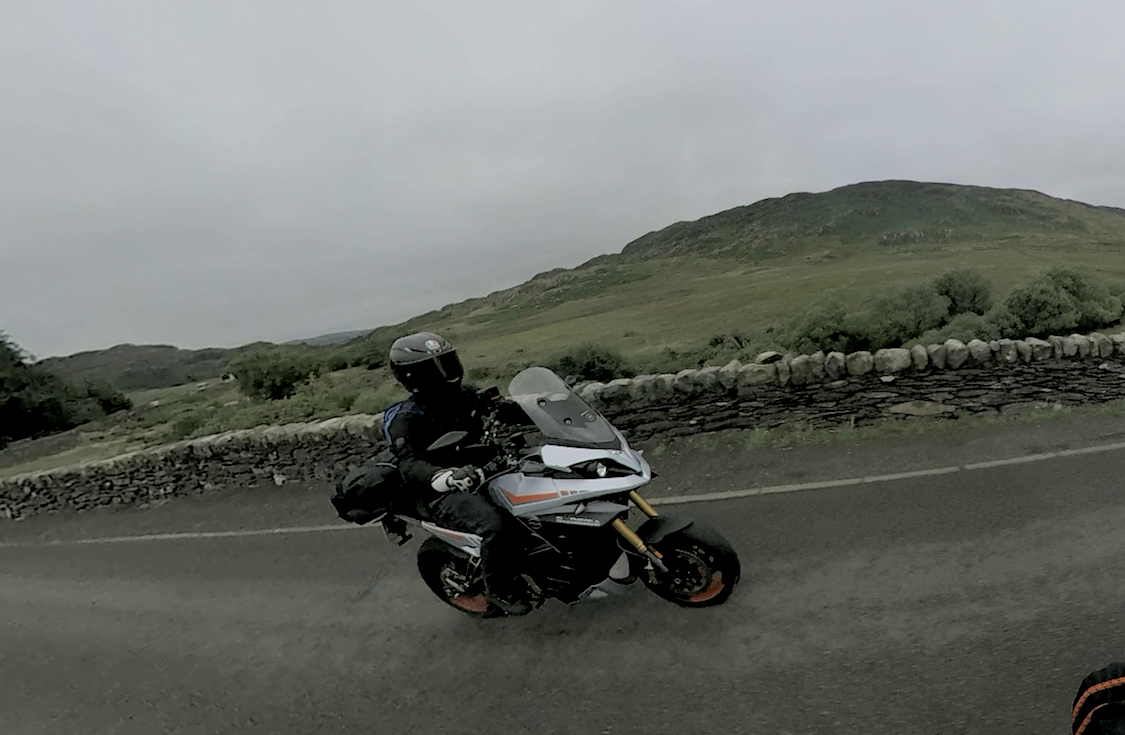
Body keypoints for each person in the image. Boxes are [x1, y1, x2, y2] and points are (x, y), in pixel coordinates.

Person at [384, 331, 533, 615]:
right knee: (495, 526)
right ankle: (500, 588)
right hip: (443, 490)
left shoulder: (465, 395)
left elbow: (502, 410)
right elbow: (409, 463)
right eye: (434, 367)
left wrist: (544, 409)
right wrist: (446, 477)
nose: (446, 372)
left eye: (447, 361)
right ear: (413, 376)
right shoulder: (407, 419)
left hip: (489, 469)